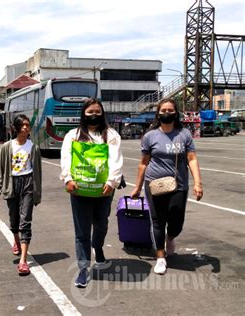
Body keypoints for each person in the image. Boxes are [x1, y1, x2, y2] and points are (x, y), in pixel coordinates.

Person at [130, 98, 203, 275]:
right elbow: (143, 163)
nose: (167, 113)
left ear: (176, 113)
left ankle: (170, 237)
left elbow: (192, 159)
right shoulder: (150, 136)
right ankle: (160, 257)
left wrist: (198, 183)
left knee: (176, 221)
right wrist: (137, 187)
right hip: (154, 183)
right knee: (157, 220)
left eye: (170, 110)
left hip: (178, 184)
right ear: (158, 113)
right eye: (163, 110)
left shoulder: (184, 134)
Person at [60, 98, 123, 288]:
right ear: (83, 114)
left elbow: (116, 160)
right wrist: (68, 179)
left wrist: (112, 182)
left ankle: (98, 246)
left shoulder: (111, 135)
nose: (94, 115)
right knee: (82, 231)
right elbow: (66, 157)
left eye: (97, 112)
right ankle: (83, 269)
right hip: (79, 190)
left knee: (101, 224)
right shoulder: (73, 135)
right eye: (90, 112)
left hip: (104, 190)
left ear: (102, 113)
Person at [0, 114, 42, 276]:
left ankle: (23, 261)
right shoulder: (7, 146)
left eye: (28, 125)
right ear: (16, 128)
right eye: (23, 125)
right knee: (14, 219)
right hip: (11, 184)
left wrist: (37, 192)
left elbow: (38, 173)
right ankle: (16, 240)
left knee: (25, 220)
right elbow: (0, 168)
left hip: (28, 183)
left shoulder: (33, 147)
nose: (26, 128)